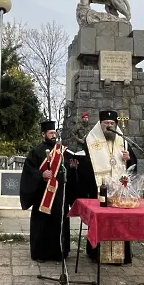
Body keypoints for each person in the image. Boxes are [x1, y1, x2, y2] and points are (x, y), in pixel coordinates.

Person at [76, 110, 136, 264]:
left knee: (120, 220)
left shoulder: (122, 140)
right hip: (98, 189)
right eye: (106, 123)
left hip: (119, 190)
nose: (109, 126)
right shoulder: (90, 140)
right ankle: (96, 253)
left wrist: (129, 158)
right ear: (100, 124)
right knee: (100, 220)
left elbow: (133, 163)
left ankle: (121, 255)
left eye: (112, 123)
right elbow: (84, 165)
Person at [19, 120, 77, 262]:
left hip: (59, 195)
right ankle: (40, 254)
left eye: (54, 133)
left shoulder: (62, 151)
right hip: (43, 195)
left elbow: (66, 169)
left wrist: (72, 167)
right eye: (50, 133)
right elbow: (29, 171)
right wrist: (41, 175)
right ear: (43, 135)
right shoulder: (36, 151)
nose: (53, 135)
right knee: (42, 224)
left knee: (59, 222)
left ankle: (59, 253)